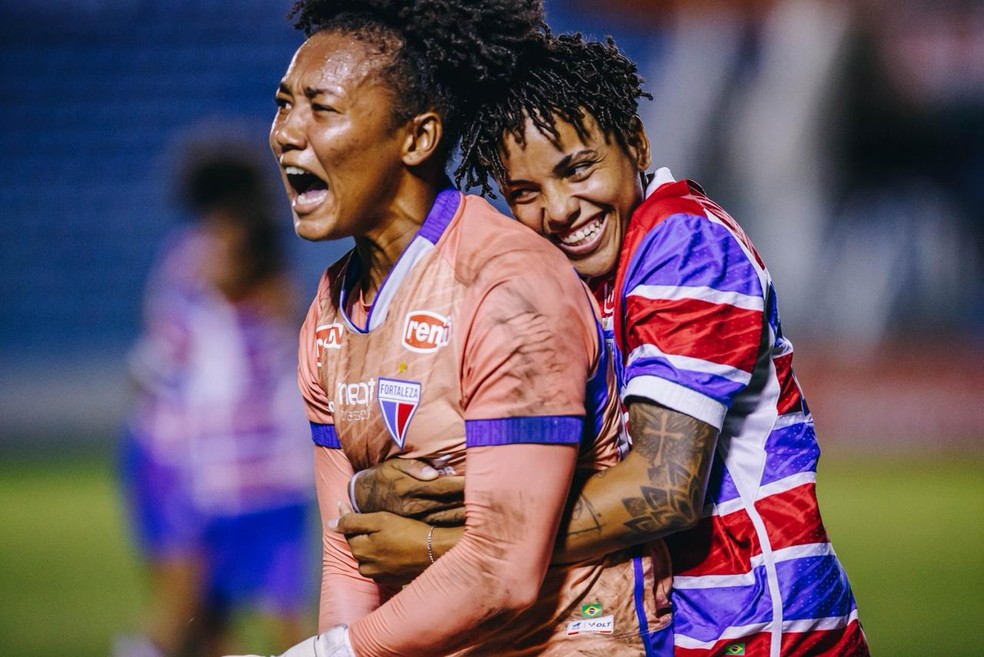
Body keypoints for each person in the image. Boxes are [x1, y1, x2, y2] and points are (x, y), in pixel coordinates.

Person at [344, 32, 871, 656]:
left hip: (758, 627)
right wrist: (388, 490)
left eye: (577, 167)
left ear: (636, 143)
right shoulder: (578, 279)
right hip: (677, 624)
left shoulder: (682, 248)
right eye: (525, 193)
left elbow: (662, 490)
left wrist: (459, 546)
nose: (560, 209)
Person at [232, 2, 673, 656]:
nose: (286, 133)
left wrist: (340, 651)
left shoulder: (508, 291)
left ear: (416, 138)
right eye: (283, 104)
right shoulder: (328, 313)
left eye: (321, 109)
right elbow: (350, 550)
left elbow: (503, 568)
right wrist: (338, 642)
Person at [114, 138, 315, 657]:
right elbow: (161, 360)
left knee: (214, 614)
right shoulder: (194, 264)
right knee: (188, 608)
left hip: (238, 470)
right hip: (179, 458)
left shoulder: (264, 275)